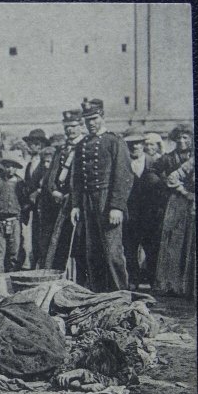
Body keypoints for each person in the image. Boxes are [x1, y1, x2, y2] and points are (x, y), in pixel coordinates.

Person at [70, 98, 133, 292]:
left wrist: (117, 206)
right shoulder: (82, 145)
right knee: (93, 253)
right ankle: (98, 296)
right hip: (89, 202)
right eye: (88, 120)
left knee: (113, 253)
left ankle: (121, 295)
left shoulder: (114, 141)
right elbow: (77, 178)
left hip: (108, 201)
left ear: (103, 116)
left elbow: (123, 175)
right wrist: (76, 205)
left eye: (95, 118)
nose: (91, 123)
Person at [37, 110, 84, 270]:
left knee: (79, 245)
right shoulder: (61, 149)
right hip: (60, 204)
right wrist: (54, 191)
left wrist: (73, 195)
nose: (70, 130)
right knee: (59, 245)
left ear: (81, 126)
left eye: (73, 126)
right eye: (67, 127)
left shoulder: (85, 146)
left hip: (78, 203)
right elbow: (51, 177)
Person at [155, 124, 195, 298]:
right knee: (174, 240)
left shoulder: (194, 155)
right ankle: (171, 284)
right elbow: (157, 173)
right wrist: (179, 190)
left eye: (186, 138)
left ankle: (188, 284)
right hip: (177, 201)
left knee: (190, 241)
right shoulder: (169, 158)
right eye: (179, 138)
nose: (182, 141)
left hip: (192, 204)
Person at [123, 126, 165, 289]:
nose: (135, 147)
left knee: (152, 248)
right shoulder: (123, 163)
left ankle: (154, 281)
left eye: (138, 143)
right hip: (130, 215)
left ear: (143, 144)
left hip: (151, 216)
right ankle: (134, 281)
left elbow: (163, 189)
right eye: (131, 144)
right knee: (130, 249)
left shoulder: (156, 162)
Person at [0, 153, 25, 273]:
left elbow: (26, 201)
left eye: (13, 167)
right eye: (8, 166)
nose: (10, 169)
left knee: (15, 253)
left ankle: (13, 281)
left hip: (14, 221)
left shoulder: (20, 183)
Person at [21, 128, 50, 269]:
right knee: (34, 239)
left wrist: (38, 192)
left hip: (45, 206)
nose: (29, 146)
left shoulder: (47, 162)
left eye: (32, 143)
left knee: (44, 239)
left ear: (39, 145)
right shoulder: (30, 163)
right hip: (34, 207)